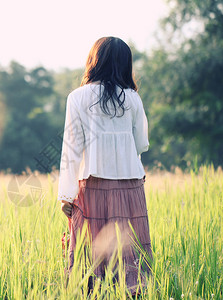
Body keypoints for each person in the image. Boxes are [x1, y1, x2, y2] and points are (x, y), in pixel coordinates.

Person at [57, 36, 152, 294]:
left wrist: (66, 195)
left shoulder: (77, 97)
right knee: (129, 252)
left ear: (94, 61)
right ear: (124, 64)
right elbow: (141, 143)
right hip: (130, 186)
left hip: (92, 186)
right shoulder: (133, 98)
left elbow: (71, 149)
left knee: (90, 251)